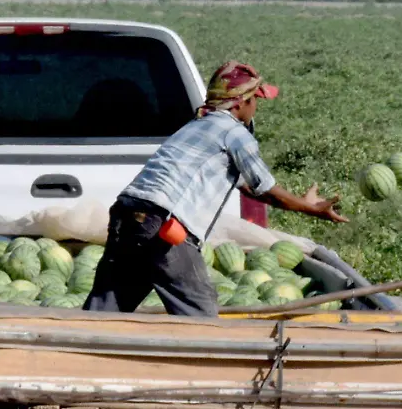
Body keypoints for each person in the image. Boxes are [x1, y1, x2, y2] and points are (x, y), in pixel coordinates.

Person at [84, 61, 345, 316]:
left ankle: (70, 353)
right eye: (255, 99)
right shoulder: (235, 133)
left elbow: (247, 187)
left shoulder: (195, 126)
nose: (256, 107)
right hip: (163, 224)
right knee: (200, 311)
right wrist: (311, 208)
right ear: (241, 102)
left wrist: (300, 201)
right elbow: (266, 188)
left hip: (127, 214)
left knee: (105, 308)